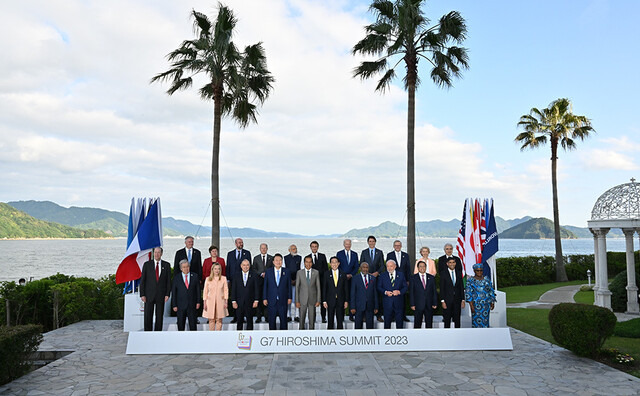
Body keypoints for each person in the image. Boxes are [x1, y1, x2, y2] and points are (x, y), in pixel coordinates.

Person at [140, 247, 171, 331]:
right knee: (148, 316)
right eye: (155, 252)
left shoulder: (166, 265)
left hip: (161, 295)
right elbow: (142, 281)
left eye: (158, 252)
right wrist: (142, 294)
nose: (157, 254)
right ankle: (147, 333)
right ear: (153, 253)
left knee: (159, 316)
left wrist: (167, 294)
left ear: (161, 254)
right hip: (148, 295)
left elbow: (168, 281)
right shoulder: (147, 265)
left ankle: (158, 333)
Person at [263, 254, 292, 330]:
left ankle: (283, 337)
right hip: (271, 300)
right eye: (276, 260)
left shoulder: (287, 271)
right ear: (273, 262)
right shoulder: (268, 272)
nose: (278, 262)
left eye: (280, 260)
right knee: (272, 321)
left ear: (282, 261)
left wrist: (289, 297)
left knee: (283, 321)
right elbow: (265, 286)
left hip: (283, 300)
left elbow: (289, 286)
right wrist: (264, 298)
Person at [171, 259, 201, 331]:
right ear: (181, 268)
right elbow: (174, 292)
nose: (186, 268)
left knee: (193, 325)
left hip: (192, 304)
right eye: (184, 267)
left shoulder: (195, 276)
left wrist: (198, 302)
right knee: (181, 325)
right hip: (180, 305)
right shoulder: (176, 278)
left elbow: (198, 291)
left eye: (187, 266)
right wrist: (174, 305)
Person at [226, 238, 251, 323]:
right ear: (236, 244)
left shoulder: (247, 253)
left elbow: (249, 267)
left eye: (242, 242)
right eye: (239, 242)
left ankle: (243, 317)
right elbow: (228, 267)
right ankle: (235, 317)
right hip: (233, 280)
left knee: (243, 298)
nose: (241, 244)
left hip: (244, 280)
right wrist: (228, 280)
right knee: (234, 298)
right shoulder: (230, 254)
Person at [386, 239, 411, 322]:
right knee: (392, 298)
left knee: (402, 298)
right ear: (393, 246)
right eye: (396, 245)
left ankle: (403, 316)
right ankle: (392, 316)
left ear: (401, 246)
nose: (397, 246)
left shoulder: (406, 255)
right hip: (392, 279)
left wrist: (408, 280)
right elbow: (388, 267)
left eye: (399, 245)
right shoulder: (390, 255)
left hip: (402, 280)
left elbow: (408, 268)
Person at [377, 260, 407, 329]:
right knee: (387, 322)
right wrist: (385, 292)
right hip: (387, 302)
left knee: (399, 322)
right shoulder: (382, 275)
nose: (389, 268)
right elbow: (379, 287)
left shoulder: (401, 275)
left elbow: (405, 287)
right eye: (388, 266)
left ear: (395, 266)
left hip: (398, 302)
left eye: (391, 266)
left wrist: (399, 292)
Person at [465, 263, 497, 328]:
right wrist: (471, 305)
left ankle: (485, 336)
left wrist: (492, 302)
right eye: (477, 270)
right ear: (474, 271)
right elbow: (468, 293)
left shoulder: (487, 279)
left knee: (485, 321)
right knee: (476, 322)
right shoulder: (470, 281)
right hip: (476, 305)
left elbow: (491, 291)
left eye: (481, 270)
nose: (479, 272)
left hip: (486, 305)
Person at [231, 259, 259, 330]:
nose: (245, 267)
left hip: (250, 302)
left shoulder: (254, 275)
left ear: (249, 266)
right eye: (244, 265)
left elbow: (256, 289)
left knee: (250, 321)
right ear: (241, 266)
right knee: (239, 321)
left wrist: (256, 300)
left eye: (247, 265)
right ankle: (239, 338)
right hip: (239, 302)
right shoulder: (236, 275)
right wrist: (233, 301)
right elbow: (233, 289)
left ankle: (250, 338)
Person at [295, 256, 321, 330]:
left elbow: (318, 287)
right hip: (302, 299)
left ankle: (311, 335)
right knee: (301, 320)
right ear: (304, 263)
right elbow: (297, 287)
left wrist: (318, 300)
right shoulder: (299, 273)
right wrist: (297, 301)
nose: (308, 264)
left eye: (310, 262)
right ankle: (301, 334)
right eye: (306, 262)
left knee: (312, 320)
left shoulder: (316, 272)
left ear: (312, 263)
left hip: (312, 300)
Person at [350, 262, 378, 329]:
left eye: (367, 267)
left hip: (370, 306)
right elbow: (352, 293)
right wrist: (352, 307)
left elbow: (375, 293)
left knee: (370, 325)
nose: (365, 269)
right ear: (360, 268)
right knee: (358, 325)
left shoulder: (373, 278)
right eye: (363, 267)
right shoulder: (355, 278)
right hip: (359, 306)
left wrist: (376, 306)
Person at [323, 256, 349, 330]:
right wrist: (324, 300)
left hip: (340, 300)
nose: (334, 264)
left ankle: (340, 336)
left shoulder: (343, 274)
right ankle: (330, 336)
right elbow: (324, 288)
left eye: (336, 262)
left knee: (340, 320)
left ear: (338, 263)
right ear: (330, 264)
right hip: (330, 300)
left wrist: (346, 301)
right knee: (330, 320)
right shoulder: (326, 274)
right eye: (332, 262)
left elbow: (346, 289)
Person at [410, 261, 438, 328]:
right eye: (420, 266)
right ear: (418, 268)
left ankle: (429, 337)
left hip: (429, 304)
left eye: (424, 266)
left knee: (429, 323)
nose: (422, 268)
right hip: (418, 304)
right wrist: (412, 304)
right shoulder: (413, 278)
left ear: (426, 267)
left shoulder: (431, 278)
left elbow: (434, 291)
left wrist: (435, 303)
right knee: (417, 323)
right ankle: (417, 337)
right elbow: (411, 292)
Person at [305, 240, 328, 323]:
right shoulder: (307, 257)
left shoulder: (322, 256)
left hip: (321, 282)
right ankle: (312, 318)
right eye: (312, 246)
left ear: (318, 247)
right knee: (312, 300)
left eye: (315, 246)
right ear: (310, 247)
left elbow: (326, 269)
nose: (314, 248)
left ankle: (323, 317)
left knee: (322, 299)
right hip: (311, 282)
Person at [440, 257, 465, 328]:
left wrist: (463, 300)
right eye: (450, 262)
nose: (452, 264)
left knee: (457, 319)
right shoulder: (443, 273)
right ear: (447, 264)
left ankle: (457, 335)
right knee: (447, 320)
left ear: (455, 263)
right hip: (447, 300)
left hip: (457, 300)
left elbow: (461, 287)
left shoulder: (459, 273)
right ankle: (447, 335)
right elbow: (442, 288)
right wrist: (442, 301)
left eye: (453, 262)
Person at [336, 239, 358, 321]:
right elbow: (338, 266)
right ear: (344, 244)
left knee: (352, 296)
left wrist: (351, 274)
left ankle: (351, 315)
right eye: (346, 244)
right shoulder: (339, 254)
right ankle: (341, 315)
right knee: (342, 296)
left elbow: (356, 266)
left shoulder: (354, 254)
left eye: (349, 244)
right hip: (342, 278)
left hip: (352, 278)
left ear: (351, 244)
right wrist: (344, 275)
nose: (348, 245)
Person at [202, 262, 228, 331]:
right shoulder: (208, 279)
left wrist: (226, 302)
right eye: (215, 269)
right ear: (212, 270)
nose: (217, 270)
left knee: (219, 319)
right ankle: (212, 335)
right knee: (211, 319)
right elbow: (205, 292)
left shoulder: (223, 278)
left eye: (218, 269)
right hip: (210, 301)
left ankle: (218, 335)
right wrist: (204, 303)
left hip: (220, 301)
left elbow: (226, 290)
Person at [252, 243, 273, 323]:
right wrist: (261, 274)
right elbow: (253, 269)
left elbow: (272, 268)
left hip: (268, 281)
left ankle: (267, 316)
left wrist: (267, 274)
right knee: (259, 298)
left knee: (267, 298)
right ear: (260, 249)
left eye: (265, 248)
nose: (263, 249)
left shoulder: (271, 258)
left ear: (267, 249)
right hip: (259, 281)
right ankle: (259, 317)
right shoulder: (256, 258)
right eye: (262, 248)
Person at [284, 244, 302, 322]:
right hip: (288, 282)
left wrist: (296, 280)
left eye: (295, 248)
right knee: (288, 299)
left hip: (297, 282)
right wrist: (289, 280)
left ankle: (297, 315)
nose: (295, 250)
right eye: (293, 249)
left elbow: (301, 270)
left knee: (297, 299)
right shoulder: (285, 258)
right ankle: (288, 315)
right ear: (289, 250)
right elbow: (284, 270)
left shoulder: (300, 258)